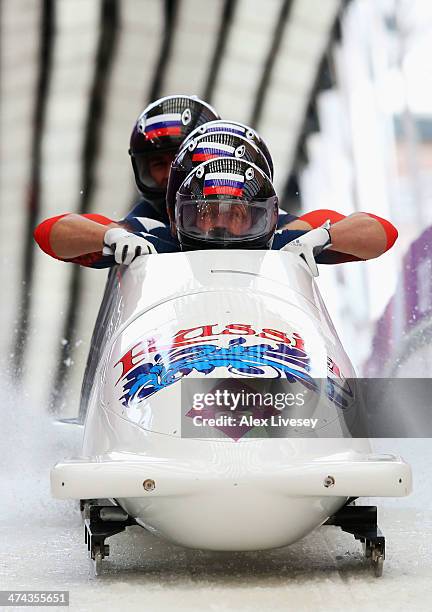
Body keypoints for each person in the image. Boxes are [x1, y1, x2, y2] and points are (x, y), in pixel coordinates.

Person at [34, 157, 398, 269]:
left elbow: (381, 233)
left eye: (237, 212)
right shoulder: (151, 241)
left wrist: (326, 236)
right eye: (207, 211)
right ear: (180, 214)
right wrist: (110, 236)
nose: (222, 223)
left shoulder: (288, 241)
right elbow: (51, 233)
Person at [128, 94, 220, 224]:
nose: (170, 175)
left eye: (182, 161)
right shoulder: (138, 223)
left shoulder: (246, 211)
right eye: (159, 164)